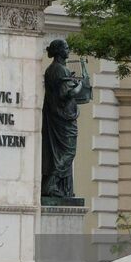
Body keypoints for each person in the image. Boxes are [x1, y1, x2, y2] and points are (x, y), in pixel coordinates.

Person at [40, 39, 92, 200]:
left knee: (58, 152)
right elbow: (68, 94)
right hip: (62, 119)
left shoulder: (54, 70)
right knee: (67, 152)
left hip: (58, 117)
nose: (68, 50)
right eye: (66, 48)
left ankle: (62, 188)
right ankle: (51, 183)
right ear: (59, 51)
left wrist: (72, 82)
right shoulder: (60, 70)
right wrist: (80, 84)